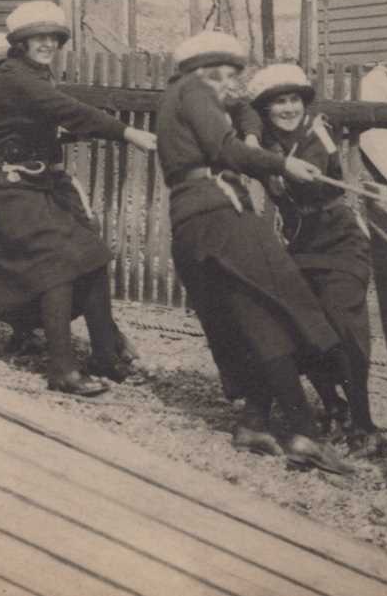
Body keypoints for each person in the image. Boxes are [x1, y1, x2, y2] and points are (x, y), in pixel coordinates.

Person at [156, 30, 352, 474]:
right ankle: (305, 433)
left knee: (254, 317)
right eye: (219, 75)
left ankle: (255, 422)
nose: (229, 85)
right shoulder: (193, 93)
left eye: (232, 75)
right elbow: (222, 148)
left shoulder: (179, 96)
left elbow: (242, 109)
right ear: (198, 74)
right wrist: (281, 163)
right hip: (221, 215)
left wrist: (248, 129)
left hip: (192, 220)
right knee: (284, 302)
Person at [0, 1, 155, 396]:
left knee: (93, 254)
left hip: (23, 184)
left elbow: (39, 122)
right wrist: (128, 133)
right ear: (20, 42)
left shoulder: (37, 75)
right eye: (38, 37)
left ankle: (105, 355)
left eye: (53, 37)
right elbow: (65, 109)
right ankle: (62, 369)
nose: (47, 43)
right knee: (57, 263)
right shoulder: (15, 76)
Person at [0, 33, 140, 363]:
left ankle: (106, 336)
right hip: (11, 191)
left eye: (3, 68)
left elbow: (65, 120)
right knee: (34, 263)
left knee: (88, 256)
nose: (0, 76)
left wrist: (68, 133)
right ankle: (28, 332)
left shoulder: (37, 97)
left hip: (51, 186)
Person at [245, 63, 379, 451]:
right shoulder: (264, 141)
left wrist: (267, 161)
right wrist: (253, 141)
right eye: (278, 103)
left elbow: (312, 168)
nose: (288, 109)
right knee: (303, 326)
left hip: (342, 245)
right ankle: (333, 407)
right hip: (301, 248)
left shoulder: (317, 133)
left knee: (343, 325)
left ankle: (364, 422)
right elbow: (240, 110)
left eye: (294, 100)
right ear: (265, 110)